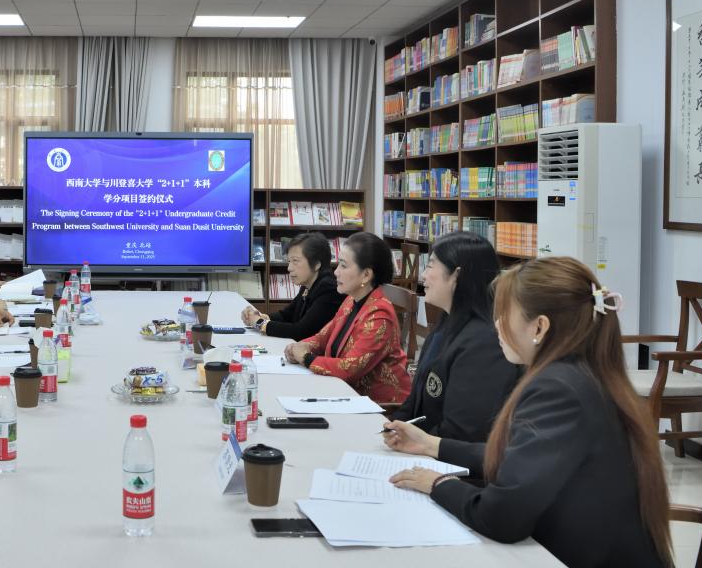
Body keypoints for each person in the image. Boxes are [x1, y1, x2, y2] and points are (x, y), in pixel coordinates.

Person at [386, 257, 673, 568]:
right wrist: (431, 445)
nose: (496, 325)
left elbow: (501, 517)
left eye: (503, 315)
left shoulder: (558, 388)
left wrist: (438, 484)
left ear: (539, 326)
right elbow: (518, 456)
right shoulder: (582, 372)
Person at [387, 231, 519, 441]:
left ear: (456, 275)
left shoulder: (484, 342)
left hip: (444, 455)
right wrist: (392, 428)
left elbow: (462, 431)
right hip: (422, 446)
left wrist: (413, 443)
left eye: (430, 266)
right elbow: (415, 401)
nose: (423, 275)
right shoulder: (447, 322)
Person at [283, 233, 411, 402]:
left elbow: (349, 369)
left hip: (380, 407)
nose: (336, 272)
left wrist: (306, 358)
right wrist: (300, 346)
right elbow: (322, 337)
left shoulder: (380, 315)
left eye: (343, 266)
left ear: (366, 275)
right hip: (346, 394)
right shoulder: (351, 300)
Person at [241, 232, 343, 339]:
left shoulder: (329, 289)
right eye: (289, 261)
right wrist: (259, 317)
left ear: (316, 264)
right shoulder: (308, 284)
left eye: (295, 261)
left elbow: (300, 331)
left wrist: (259, 323)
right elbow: (286, 315)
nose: (289, 268)